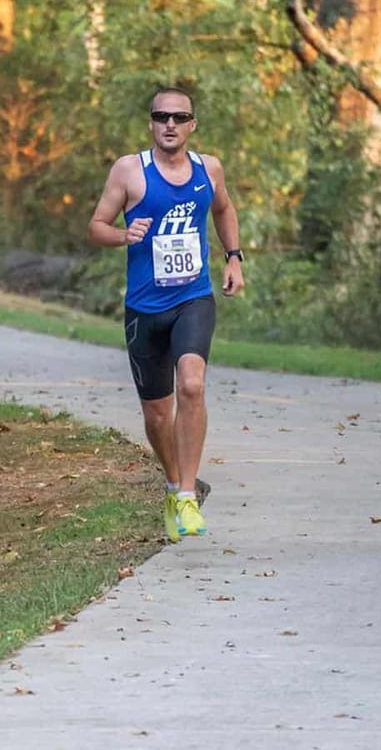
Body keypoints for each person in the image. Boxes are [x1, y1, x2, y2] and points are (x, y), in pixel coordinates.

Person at [88, 86, 245, 543]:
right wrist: (123, 235)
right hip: (143, 308)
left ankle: (189, 494)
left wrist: (233, 257)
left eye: (179, 117)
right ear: (152, 124)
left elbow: (225, 207)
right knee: (158, 415)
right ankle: (174, 485)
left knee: (192, 384)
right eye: (161, 117)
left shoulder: (208, 169)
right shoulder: (129, 170)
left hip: (193, 297)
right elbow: (96, 227)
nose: (170, 124)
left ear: (192, 124)